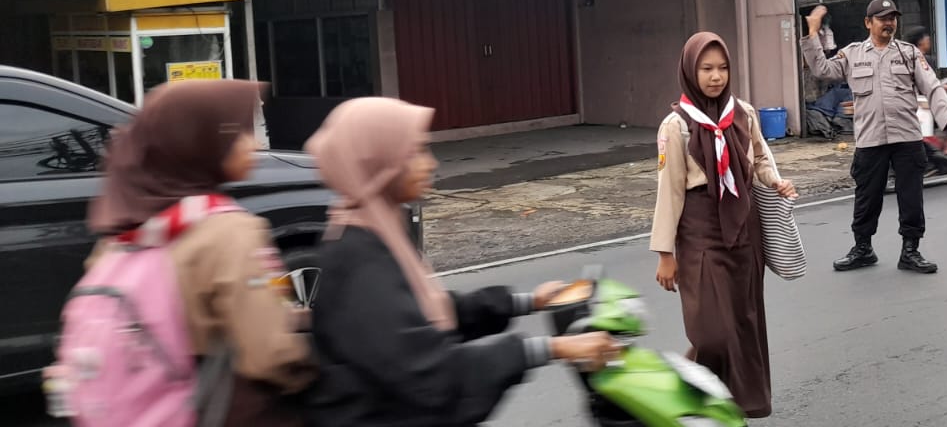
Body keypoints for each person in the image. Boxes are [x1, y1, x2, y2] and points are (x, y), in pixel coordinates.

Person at [303, 98, 620, 427]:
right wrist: (552, 348)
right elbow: (429, 375)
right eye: (415, 152)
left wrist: (530, 301)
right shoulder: (358, 259)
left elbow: (431, 312)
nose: (430, 164)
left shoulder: (378, 229)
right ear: (380, 162)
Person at [84, 79, 315, 424]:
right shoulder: (229, 231)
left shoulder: (120, 234)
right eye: (237, 132)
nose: (252, 144)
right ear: (198, 141)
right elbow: (270, 353)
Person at [651, 32, 797, 418]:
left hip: (745, 229)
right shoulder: (676, 126)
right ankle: (681, 391)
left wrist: (776, 181)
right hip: (700, 231)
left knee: (745, 322)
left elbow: (760, 158)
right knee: (711, 332)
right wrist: (665, 253)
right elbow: (670, 192)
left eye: (722, 68)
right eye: (706, 68)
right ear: (690, 71)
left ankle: (736, 406)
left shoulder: (743, 113)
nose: (716, 76)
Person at [801, 0, 947, 274]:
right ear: (868, 22)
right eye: (883, 18)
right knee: (867, 197)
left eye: (892, 18)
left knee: (911, 198)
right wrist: (812, 33)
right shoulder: (852, 54)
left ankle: (910, 251)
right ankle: (863, 249)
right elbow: (821, 69)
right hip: (870, 139)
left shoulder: (909, 53)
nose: (889, 23)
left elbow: (932, 86)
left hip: (907, 138)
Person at [905, 26, 947, 156]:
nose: (929, 40)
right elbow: (932, 86)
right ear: (921, 42)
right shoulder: (922, 60)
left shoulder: (911, 58)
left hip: (918, 103)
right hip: (924, 104)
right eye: (926, 38)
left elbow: (933, 82)